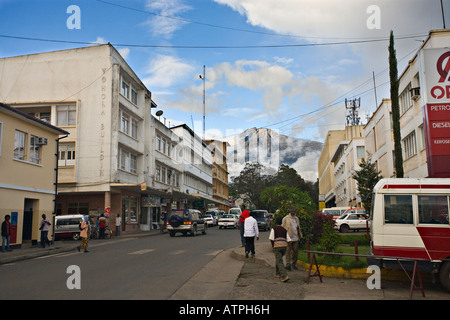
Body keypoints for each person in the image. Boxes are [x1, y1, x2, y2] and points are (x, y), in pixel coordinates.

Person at [269, 217, 293, 282]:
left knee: (279, 261)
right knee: (278, 258)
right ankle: (277, 273)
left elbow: (271, 239)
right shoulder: (284, 230)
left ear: (276, 222)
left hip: (277, 246)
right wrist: (291, 249)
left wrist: (273, 246)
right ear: (281, 223)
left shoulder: (274, 229)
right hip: (284, 247)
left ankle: (284, 276)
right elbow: (289, 240)